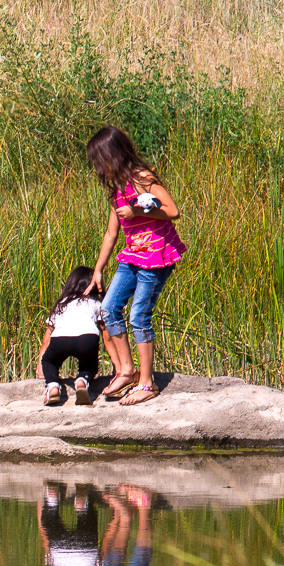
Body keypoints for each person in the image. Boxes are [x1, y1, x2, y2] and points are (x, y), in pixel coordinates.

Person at [86, 126, 186, 406]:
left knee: (139, 317)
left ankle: (147, 383)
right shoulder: (117, 189)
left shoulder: (142, 178)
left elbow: (172, 211)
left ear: (112, 156)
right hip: (133, 255)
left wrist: (138, 210)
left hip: (156, 256)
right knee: (108, 308)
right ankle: (127, 371)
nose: (97, 169)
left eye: (99, 162)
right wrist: (98, 269)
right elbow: (111, 234)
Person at [34, 265, 104, 406]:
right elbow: (105, 332)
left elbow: (47, 338)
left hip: (60, 339)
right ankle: (82, 381)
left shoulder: (61, 303)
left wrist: (41, 369)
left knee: (49, 361)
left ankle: (53, 386)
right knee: (90, 365)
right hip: (87, 338)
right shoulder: (95, 302)